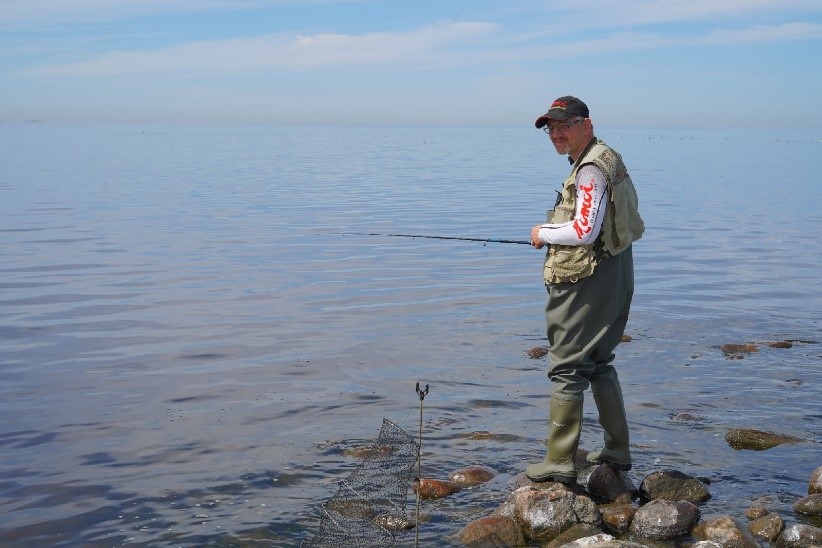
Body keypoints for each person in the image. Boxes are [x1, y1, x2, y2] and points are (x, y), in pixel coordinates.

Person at [525, 96, 644, 484]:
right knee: (598, 361)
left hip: (588, 277)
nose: (556, 134)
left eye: (564, 125)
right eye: (551, 128)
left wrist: (543, 233)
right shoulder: (606, 156)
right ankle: (616, 449)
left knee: (567, 367)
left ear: (586, 125)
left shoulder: (591, 168)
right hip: (615, 270)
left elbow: (583, 230)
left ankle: (559, 460)